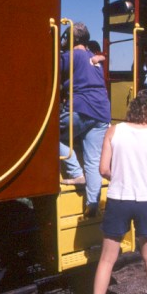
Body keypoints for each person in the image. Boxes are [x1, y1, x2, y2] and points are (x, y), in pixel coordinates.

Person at [84, 89, 147, 294]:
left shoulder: (114, 131)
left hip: (119, 197)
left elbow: (103, 169)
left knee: (107, 259)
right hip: (146, 198)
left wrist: (120, 174)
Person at [60, 23, 111, 217]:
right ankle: (93, 202)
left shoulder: (71, 56)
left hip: (81, 107)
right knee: (94, 159)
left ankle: (75, 173)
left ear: (71, 39)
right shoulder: (92, 57)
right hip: (102, 111)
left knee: (51, 135)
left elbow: (51, 71)